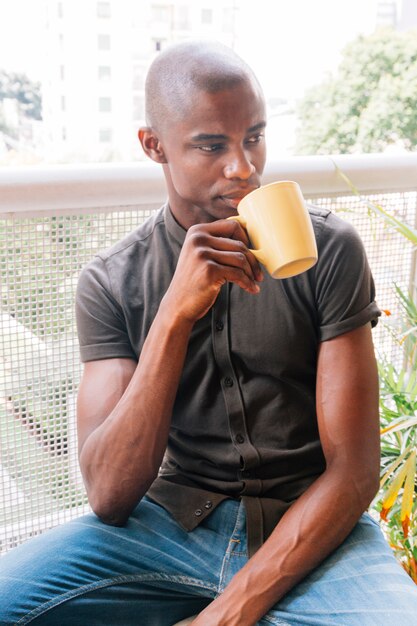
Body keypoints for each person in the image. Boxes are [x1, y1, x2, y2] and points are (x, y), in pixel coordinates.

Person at [1, 40, 417, 626]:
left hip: (316, 531)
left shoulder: (330, 250)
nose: (244, 166)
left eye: (254, 136)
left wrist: (227, 613)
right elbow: (110, 495)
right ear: (155, 147)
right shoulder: (110, 281)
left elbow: (353, 472)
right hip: (169, 526)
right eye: (212, 145)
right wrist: (174, 314)